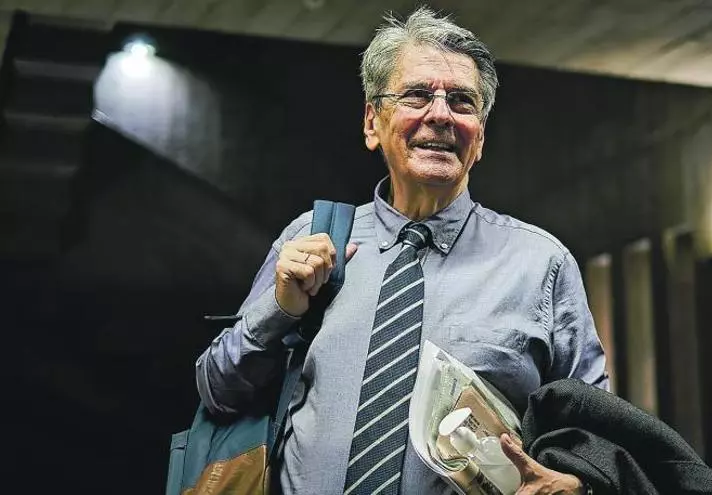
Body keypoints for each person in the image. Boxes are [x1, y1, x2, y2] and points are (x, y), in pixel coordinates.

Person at [196, 7, 608, 494]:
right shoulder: (310, 239)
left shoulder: (540, 264)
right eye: (417, 95)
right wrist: (280, 310)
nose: (441, 115)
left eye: (462, 101)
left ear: (479, 137)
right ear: (373, 122)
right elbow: (219, 393)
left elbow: (594, 432)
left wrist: (576, 483)